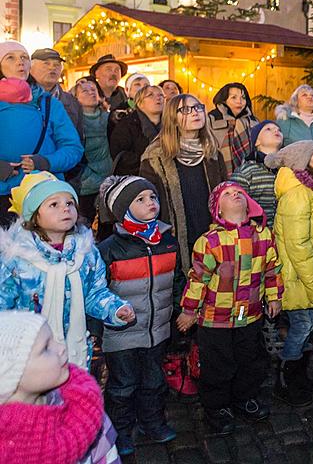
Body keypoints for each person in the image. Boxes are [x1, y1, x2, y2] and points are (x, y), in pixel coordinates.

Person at [175, 181, 282, 436]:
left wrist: (275, 296)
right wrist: (189, 311)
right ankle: (217, 407)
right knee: (217, 364)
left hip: (251, 315)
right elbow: (198, 279)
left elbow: (272, 270)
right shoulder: (209, 241)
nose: (235, 195)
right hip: (216, 319)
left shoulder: (263, 235)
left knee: (250, 360)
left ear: (249, 204)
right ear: (218, 210)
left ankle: (244, 398)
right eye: (227, 194)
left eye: (239, 193)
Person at [0, 171, 134, 369]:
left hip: (74, 353)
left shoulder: (86, 253)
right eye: (54, 204)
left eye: (70, 203)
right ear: (34, 215)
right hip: (27, 356)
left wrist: (115, 309)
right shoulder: (17, 259)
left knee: (74, 397)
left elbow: (94, 294)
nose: (65, 209)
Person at [97, 175, 178, 455]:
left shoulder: (167, 240)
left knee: (154, 381)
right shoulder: (109, 249)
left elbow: (176, 280)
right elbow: (97, 292)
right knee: (123, 386)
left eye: (152, 197)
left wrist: (178, 311)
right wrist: (97, 330)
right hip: (121, 336)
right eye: (140, 199)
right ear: (123, 209)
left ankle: (151, 421)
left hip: (157, 330)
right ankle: (119, 431)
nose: (150, 203)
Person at [265, 141, 313, 406]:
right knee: (303, 324)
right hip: (299, 277)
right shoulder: (297, 194)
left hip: (308, 273)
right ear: (302, 162)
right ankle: (285, 379)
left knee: (305, 325)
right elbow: (298, 245)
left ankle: (300, 376)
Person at [0, 311, 120, 463]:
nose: (62, 347)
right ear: (9, 374)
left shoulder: (85, 405)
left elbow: (108, 456)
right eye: (45, 348)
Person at [140, 94, 227, 288]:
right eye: (185, 109)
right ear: (173, 117)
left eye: (198, 107)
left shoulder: (212, 152)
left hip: (211, 233)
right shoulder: (155, 156)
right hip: (174, 237)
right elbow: (149, 204)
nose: (195, 112)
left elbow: (223, 193)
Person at [0, 42, 83, 225]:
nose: (20, 62)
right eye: (10, 57)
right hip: (2, 196)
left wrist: (46, 162)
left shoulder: (48, 103)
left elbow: (73, 148)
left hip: (43, 196)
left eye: (24, 57)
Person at [71, 77, 112, 229]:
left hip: (108, 182)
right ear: (75, 97)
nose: (91, 93)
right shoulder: (73, 121)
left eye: (93, 90)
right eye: (84, 91)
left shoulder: (109, 118)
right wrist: (88, 176)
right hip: (85, 185)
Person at [230, 120, 284, 228]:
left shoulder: (288, 169)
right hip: (258, 236)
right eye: (268, 129)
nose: (276, 130)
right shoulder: (246, 170)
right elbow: (235, 205)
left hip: (286, 234)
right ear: (256, 141)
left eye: (279, 129)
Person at [108, 85, 164, 176]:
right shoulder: (126, 125)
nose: (158, 98)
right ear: (139, 103)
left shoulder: (172, 124)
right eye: (150, 95)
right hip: (137, 178)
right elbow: (120, 156)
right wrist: (149, 160)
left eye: (161, 95)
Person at [30, 48, 82, 137]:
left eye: (57, 64)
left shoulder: (73, 102)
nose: (52, 67)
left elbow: (78, 138)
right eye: (46, 63)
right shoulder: (19, 98)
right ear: (30, 68)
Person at [208, 82, 258, 175]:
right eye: (233, 97)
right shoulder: (210, 119)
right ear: (223, 100)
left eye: (243, 98)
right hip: (218, 172)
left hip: (250, 173)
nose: (239, 101)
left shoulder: (254, 121)